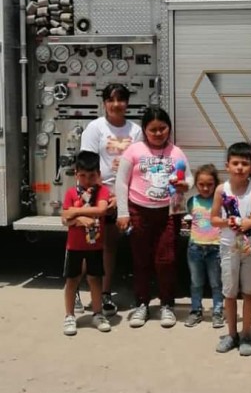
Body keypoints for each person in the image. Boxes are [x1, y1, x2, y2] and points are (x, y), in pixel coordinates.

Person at [115, 107, 193, 328]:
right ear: (145, 130)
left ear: (169, 128)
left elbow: (189, 177)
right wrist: (123, 213)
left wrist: (185, 185)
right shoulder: (133, 151)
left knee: (166, 259)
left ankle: (167, 304)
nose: (158, 133)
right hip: (139, 211)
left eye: (162, 128)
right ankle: (142, 304)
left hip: (169, 212)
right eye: (153, 129)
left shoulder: (176, 152)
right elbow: (121, 182)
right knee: (141, 260)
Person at [80, 83, 142, 315]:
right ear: (104, 103)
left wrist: (121, 197)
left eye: (121, 100)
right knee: (88, 246)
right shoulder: (95, 128)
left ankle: (105, 293)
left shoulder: (135, 130)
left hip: (121, 197)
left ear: (127, 103)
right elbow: (87, 165)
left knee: (109, 247)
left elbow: (136, 165)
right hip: (97, 196)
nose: (116, 105)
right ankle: (77, 289)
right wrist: (102, 196)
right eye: (111, 100)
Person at [211, 142, 251, 356]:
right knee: (229, 293)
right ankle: (232, 334)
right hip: (228, 247)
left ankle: (246, 335)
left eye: (244, 164)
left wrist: (248, 224)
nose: (240, 168)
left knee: (248, 293)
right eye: (235, 163)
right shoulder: (221, 189)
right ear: (227, 165)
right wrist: (227, 222)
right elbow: (213, 218)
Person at [61, 150, 112, 336]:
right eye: (82, 175)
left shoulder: (103, 192)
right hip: (74, 246)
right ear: (76, 174)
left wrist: (75, 212)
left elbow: (101, 210)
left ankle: (97, 314)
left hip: (95, 246)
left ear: (99, 175)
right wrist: (79, 219)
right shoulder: (70, 193)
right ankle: (69, 316)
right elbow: (64, 218)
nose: (87, 179)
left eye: (92, 175)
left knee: (95, 279)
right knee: (72, 280)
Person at [184, 164, 224, 329]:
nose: (206, 188)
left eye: (210, 184)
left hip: (215, 247)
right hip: (195, 248)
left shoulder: (220, 202)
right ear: (196, 184)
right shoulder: (192, 201)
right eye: (201, 184)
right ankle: (195, 311)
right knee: (196, 283)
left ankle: (217, 312)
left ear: (216, 184)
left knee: (216, 283)